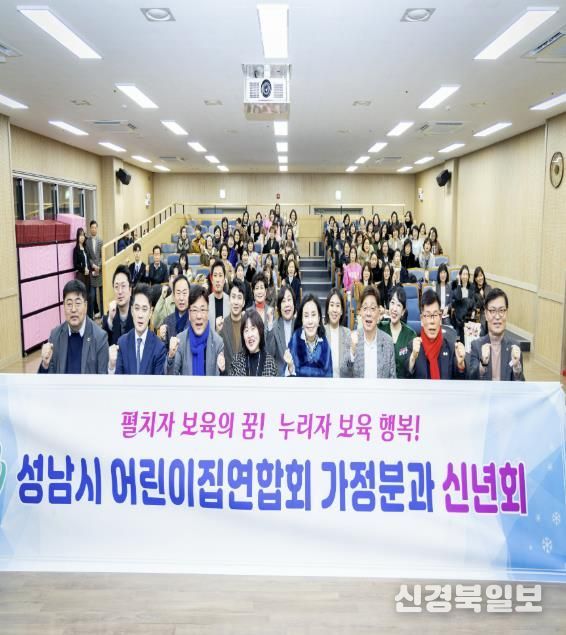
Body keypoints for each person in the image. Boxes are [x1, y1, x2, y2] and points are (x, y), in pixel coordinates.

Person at [39, 279, 108, 374]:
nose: (73, 309)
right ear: (64, 306)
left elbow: (103, 378)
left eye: (78, 303)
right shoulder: (55, 336)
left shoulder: (100, 337)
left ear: (85, 306)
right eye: (69, 304)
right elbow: (47, 379)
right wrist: (45, 365)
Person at [406, 289, 467, 379]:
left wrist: (461, 365)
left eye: (435, 315)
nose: (432, 321)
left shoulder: (451, 347)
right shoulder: (412, 347)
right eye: (427, 315)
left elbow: (460, 381)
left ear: (440, 318)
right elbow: (406, 379)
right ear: (422, 319)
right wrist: (413, 358)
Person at [165, 285, 225, 376]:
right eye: (195, 310)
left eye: (203, 310)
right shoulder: (181, 341)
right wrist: (171, 356)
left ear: (208, 313)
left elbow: (219, 379)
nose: (199, 316)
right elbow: (171, 377)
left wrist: (222, 370)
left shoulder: (218, 343)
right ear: (189, 314)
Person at [468, 288, 525, 381]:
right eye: (492, 311)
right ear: (486, 314)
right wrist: (483, 365)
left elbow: (521, 386)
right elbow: (471, 380)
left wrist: (517, 369)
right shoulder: (476, 346)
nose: (497, 317)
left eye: (501, 310)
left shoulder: (514, 346)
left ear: (506, 313)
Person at [109, 284, 166, 375]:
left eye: (144, 309)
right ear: (132, 311)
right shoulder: (122, 343)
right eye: (137, 308)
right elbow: (118, 379)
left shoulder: (159, 347)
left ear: (150, 312)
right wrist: (111, 367)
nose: (140, 315)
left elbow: (158, 383)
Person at [348, 286, 396, 378]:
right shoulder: (351, 339)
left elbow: (392, 378)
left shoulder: (388, 342)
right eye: (365, 308)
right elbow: (345, 376)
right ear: (360, 312)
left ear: (379, 312)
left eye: (373, 308)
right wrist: (352, 352)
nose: (368, 313)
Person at [285, 294, 332, 377]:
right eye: (306, 316)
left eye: (313, 315)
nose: (310, 321)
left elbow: (329, 376)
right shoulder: (295, 340)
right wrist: (290, 367)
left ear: (319, 319)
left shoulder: (325, 343)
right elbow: (286, 377)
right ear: (302, 320)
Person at [379, 286, 416, 378]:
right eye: (392, 303)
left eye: (399, 305)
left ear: (403, 311)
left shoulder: (410, 334)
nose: (394, 309)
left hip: (403, 384)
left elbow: (412, 370)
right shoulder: (380, 328)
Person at [229, 308, 278, 376]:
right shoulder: (236, 361)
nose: (250, 335)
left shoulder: (270, 363)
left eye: (253, 329)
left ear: (260, 331)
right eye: (246, 330)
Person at [102, 265, 134, 346]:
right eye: (116, 287)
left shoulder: (137, 313)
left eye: (123, 286)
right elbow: (103, 345)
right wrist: (110, 320)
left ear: (130, 290)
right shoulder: (109, 316)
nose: (120, 291)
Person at [324, 288, 351, 378]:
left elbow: (351, 368)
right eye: (331, 305)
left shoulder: (348, 334)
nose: (334, 310)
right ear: (327, 309)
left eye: (338, 306)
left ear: (342, 311)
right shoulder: (320, 333)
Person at [158, 274, 190, 349]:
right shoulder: (167, 321)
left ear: (189, 294)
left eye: (184, 293)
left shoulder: (195, 320)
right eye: (178, 293)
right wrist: (162, 339)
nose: (181, 298)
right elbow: (163, 353)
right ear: (173, 296)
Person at [221, 279, 246, 372]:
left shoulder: (249, 326)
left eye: (239, 298)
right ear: (229, 300)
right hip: (226, 376)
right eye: (233, 297)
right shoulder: (222, 325)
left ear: (243, 302)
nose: (236, 302)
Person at [451, 264, 476, 342]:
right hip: (458, 316)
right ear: (460, 275)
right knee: (460, 302)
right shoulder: (455, 285)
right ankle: (459, 339)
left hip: (468, 316)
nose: (465, 276)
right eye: (463, 274)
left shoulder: (472, 286)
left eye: (466, 274)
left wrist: (474, 310)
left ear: (468, 276)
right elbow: (458, 297)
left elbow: (473, 301)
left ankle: (463, 339)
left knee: (466, 301)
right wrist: (459, 283)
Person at [152, 264, 179, 329]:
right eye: (174, 277)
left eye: (178, 277)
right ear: (169, 279)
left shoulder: (188, 300)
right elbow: (156, 324)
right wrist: (162, 298)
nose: (176, 281)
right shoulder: (165, 301)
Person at [85, 220, 103, 317]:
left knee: (102, 295)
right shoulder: (87, 242)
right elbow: (88, 256)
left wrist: (99, 266)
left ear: (97, 228)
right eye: (92, 227)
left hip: (100, 271)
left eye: (95, 227)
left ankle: (103, 315)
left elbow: (102, 256)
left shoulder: (100, 241)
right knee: (91, 296)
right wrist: (93, 265)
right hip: (92, 271)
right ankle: (91, 316)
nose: (93, 229)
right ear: (90, 228)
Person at [73, 228, 91, 313]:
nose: (82, 237)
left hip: (87, 276)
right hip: (80, 276)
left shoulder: (85, 248)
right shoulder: (76, 250)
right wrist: (83, 269)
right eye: (80, 235)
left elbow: (88, 262)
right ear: (77, 237)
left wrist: (89, 269)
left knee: (87, 297)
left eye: (83, 235)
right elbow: (75, 265)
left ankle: (87, 316)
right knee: (81, 297)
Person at [473, 265, 492, 332]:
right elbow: (475, 306)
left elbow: (490, 303)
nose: (480, 278)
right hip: (480, 314)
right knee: (482, 328)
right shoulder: (473, 291)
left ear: (483, 276)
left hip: (489, 313)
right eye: (477, 276)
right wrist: (481, 297)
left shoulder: (488, 288)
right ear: (475, 279)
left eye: (481, 275)